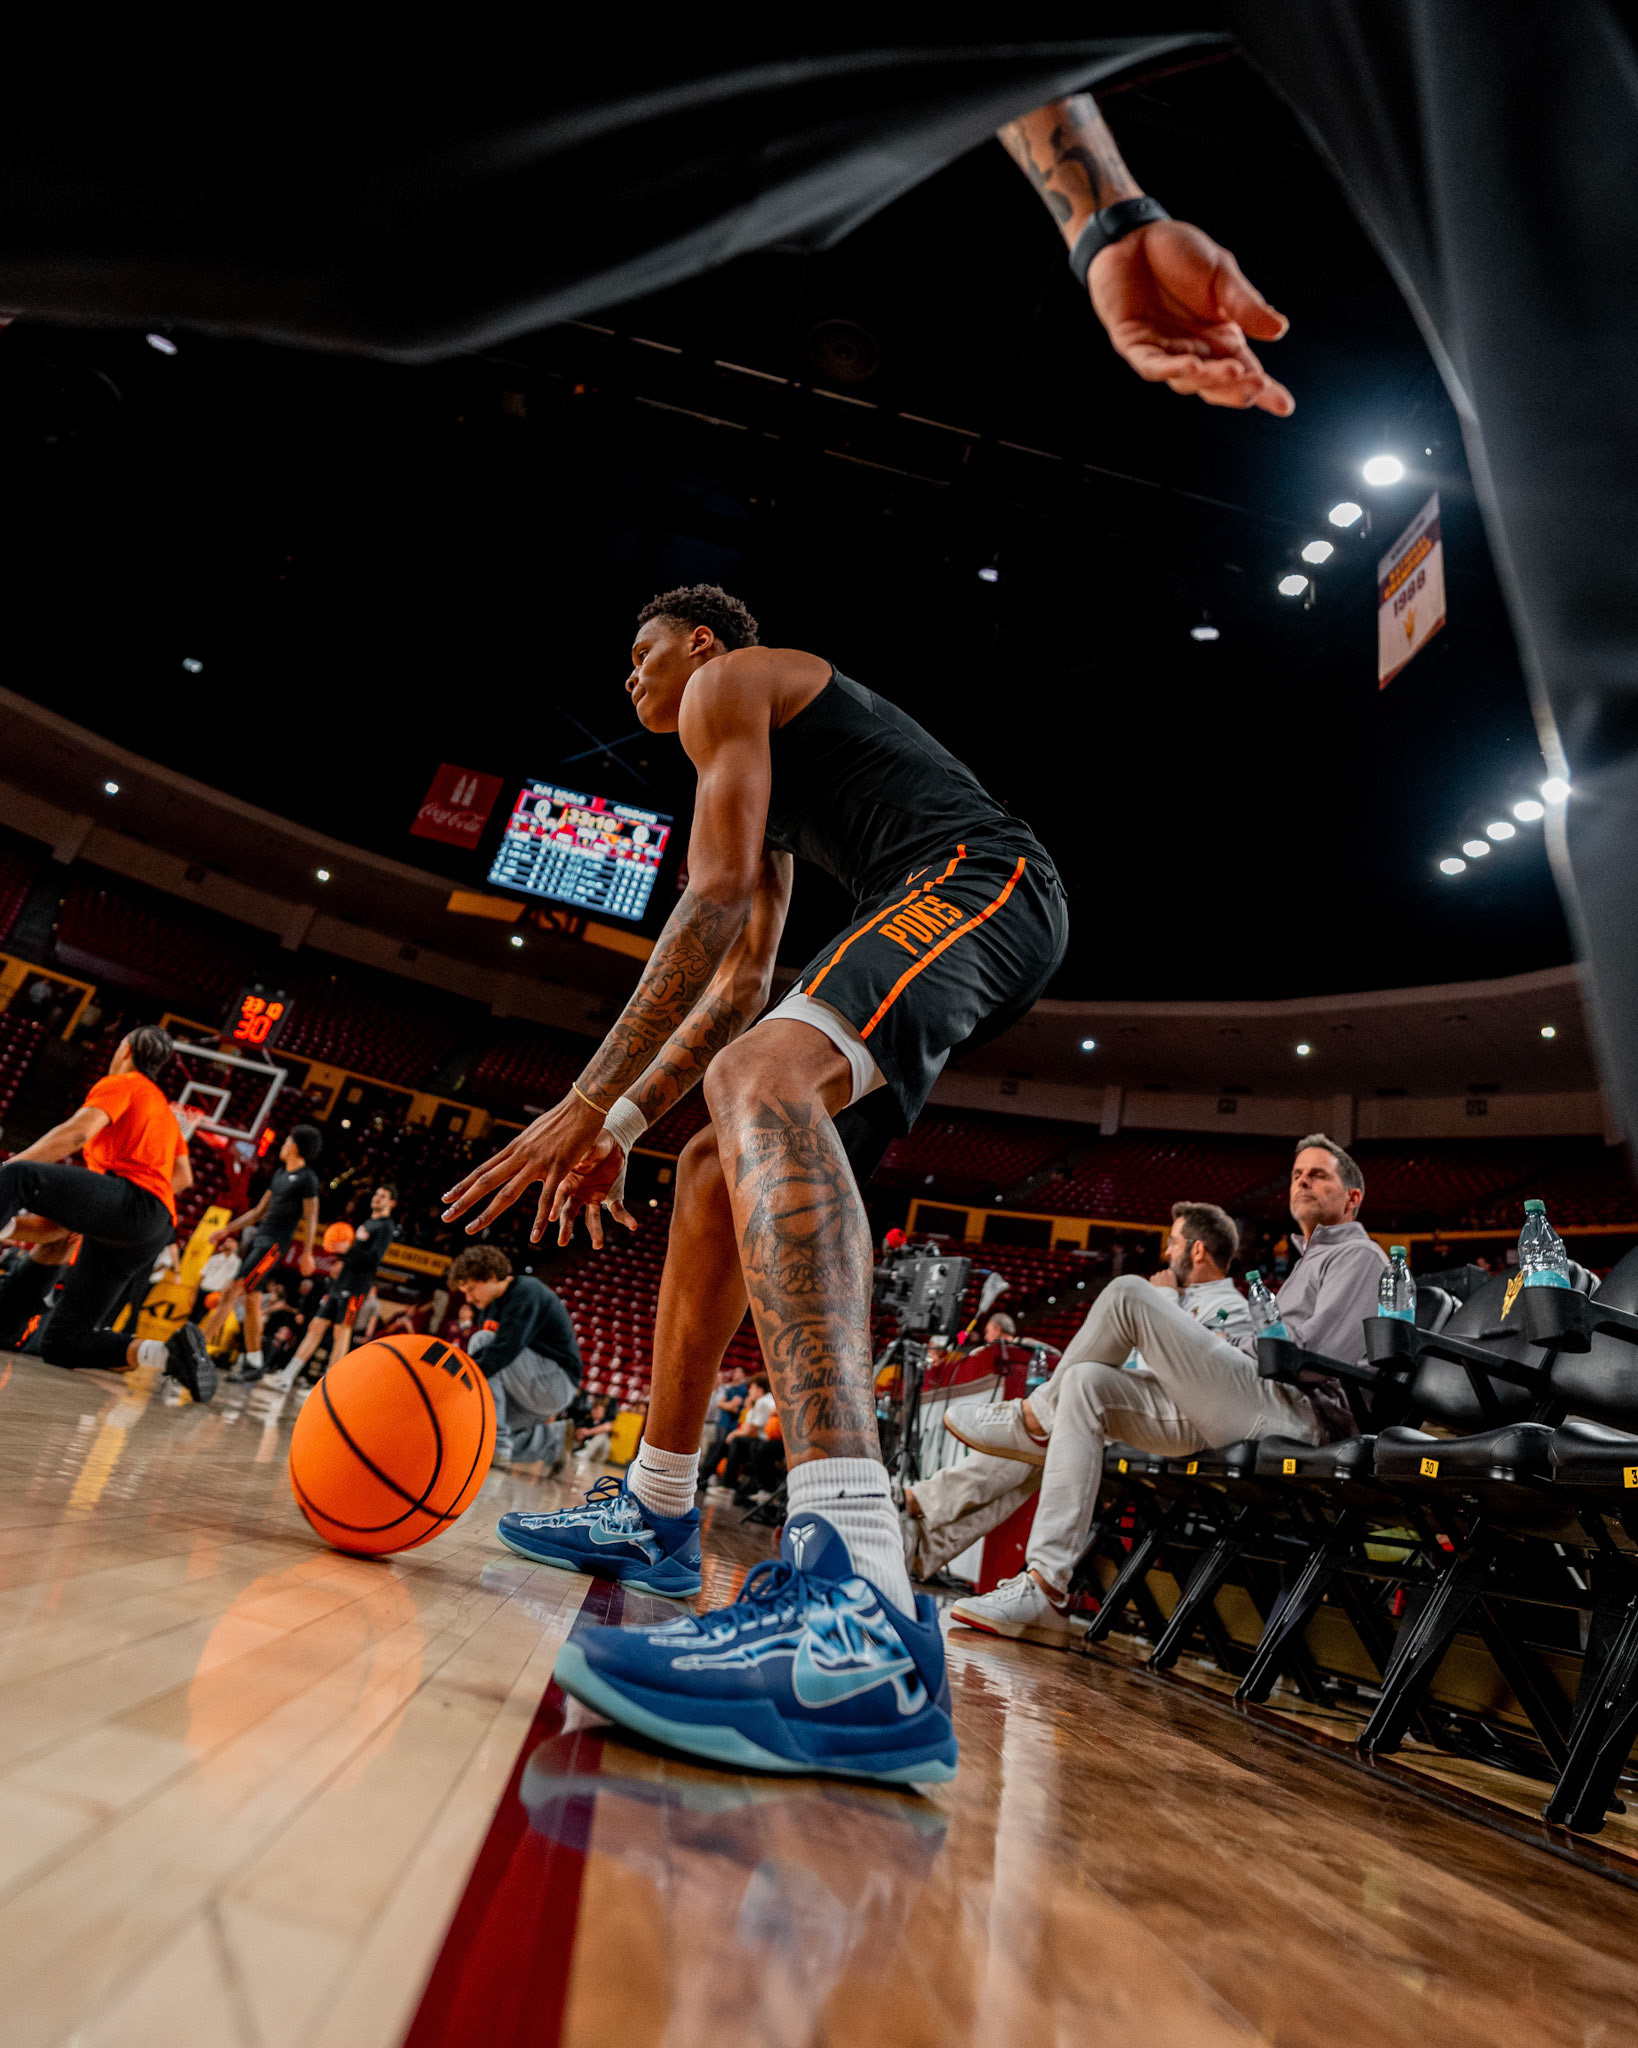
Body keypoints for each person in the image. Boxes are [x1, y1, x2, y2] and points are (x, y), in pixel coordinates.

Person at [445, 582, 1067, 1787]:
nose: (630, 682)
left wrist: (580, 1094)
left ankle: (857, 1602)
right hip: (947, 896)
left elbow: (710, 900)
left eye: (641, 655)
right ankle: (660, 1504)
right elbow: (738, 978)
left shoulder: (732, 686)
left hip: (985, 877)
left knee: (761, 1078)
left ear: (701, 645)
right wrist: (623, 1119)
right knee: (705, 1160)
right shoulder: (757, 770)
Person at [945, 1140, 1385, 1646]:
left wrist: (1226, 1344)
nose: (1302, 1181)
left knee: (1129, 1293)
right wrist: (1227, 1344)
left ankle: (1035, 1419)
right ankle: (1046, 1589)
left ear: (1352, 1200)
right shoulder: (1307, 1262)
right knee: (1088, 1385)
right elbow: (1278, 1344)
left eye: (1318, 1176)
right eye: (1296, 1174)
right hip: (1253, 1402)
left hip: (1299, 1416)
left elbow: (1302, 1357)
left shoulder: (1357, 1255)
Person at [905, 1201, 1251, 1586]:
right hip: (1115, 1412)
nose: (1167, 1252)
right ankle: (925, 1545)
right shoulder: (1176, 1295)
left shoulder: (1230, 1307)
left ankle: (920, 1504)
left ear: (1198, 1250)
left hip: (1164, 1426)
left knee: (1044, 1434)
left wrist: (1165, 1301)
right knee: (1034, 1449)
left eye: (1173, 1242)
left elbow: (1175, 1377)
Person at [0, 1025, 214, 1398]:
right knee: (63, 1343)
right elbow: (183, 1176)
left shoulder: (122, 1082)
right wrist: (101, 1210)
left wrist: (8, 1170)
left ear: (126, 1050)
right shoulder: (164, 1110)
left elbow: (77, 1134)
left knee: (18, 1176)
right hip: (151, 1225)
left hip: (131, 1200)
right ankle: (164, 1354)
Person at [201, 1124, 321, 1380]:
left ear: (297, 1146)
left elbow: (311, 1217)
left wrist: (308, 1252)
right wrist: (226, 1230)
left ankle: (197, 1349)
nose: (284, 1144)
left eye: (287, 1140)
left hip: (274, 1245)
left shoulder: (307, 1178)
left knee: (234, 1288)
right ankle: (255, 1361)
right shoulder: (279, 1174)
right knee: (252, 1300)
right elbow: (257, 1212)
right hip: (260, 1239)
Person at [446, 1245, 583, 1468]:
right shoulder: (489, 1308)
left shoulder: (526, 1292)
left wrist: (456, 1377)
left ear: (490, 1277)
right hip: (529, 1387)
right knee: (478, 1431)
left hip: (556, 1382)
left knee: (481, 1341)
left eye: (471, 1289)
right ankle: (552, 1442)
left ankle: (499, 1448)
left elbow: (502, 1353)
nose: (468, 1298)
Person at [262, 1182, 398, 1393]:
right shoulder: (368, 1223)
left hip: (356, 1287)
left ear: (391, 1203)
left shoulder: (386, 1226)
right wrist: (342, 1252)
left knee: (341, 1333)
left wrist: (348, 1251)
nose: (377, 1198)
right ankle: (287, 1376)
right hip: (340, 1283)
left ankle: (329, 1387)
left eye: (383, 1196)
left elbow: (374, 1259)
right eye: (377, 1194)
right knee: (315, 1326)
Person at [190, 1233, 239, 1323]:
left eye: (231, 1241)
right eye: (226, 1241)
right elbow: (202, 1275)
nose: (227, 1243)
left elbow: (230, 1281)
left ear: (236, 1245)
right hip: (203, 1289)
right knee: (192, 1315)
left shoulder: (236, 1262)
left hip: (215, 1293)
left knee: (202, 1317)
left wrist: (223, 1296)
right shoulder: (214, 1258)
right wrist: (194, 1293)